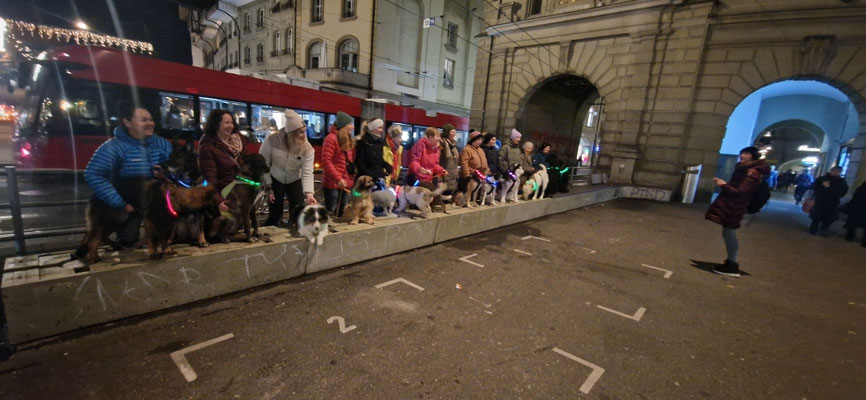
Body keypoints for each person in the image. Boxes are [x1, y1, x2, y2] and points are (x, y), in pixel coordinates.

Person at [81, 102, 172, 250]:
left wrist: (167, 175)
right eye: (143, 120)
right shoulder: (114, 147)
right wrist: (120, 203)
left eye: (151, 119)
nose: (150, 123)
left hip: (156, 200)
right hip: (128, 200)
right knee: (128, 239)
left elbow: (178, 170)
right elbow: (93, 174)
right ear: (127, 122)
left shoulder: (163, 144)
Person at [705, 146, 769, 278]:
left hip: (736, 206)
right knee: (728, 231)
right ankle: (731, 262)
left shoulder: (751, 172)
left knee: (729, 232)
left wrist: (723, 185)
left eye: (746, 154)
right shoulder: (745, 169)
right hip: (733, 205)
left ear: (753, 156)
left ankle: (732, 264)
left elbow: (740, 192)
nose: (742, 156)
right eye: (742, 153)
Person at [259, 109, 317, 228]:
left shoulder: (307, 148)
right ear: (291, 133)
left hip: (294, 178)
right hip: (276, 177)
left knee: (298, 209)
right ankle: (272, 227)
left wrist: (309, 194)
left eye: (305, 131)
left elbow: (307, 172)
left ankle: (295, 226)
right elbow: (264, 164)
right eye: (301, 132)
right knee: (275, 210)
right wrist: (269, 187)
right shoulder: (271, 140)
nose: (304, 135)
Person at [199, 109, 246, 213]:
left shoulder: (239, 143)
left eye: (231, 122)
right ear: (216, 124)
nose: (230, 126)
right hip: (224, 196)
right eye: (226, 122)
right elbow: (210, 178)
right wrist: (219, 201)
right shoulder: (207, 146)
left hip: (238, 195)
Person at [321, 111, 356, 215]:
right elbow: (326, 161)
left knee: (343, 213)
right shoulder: (331, 139)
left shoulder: (347, 139)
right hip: (333, 184)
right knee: (331, 212)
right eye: (350, 124)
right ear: (343, 125)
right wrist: (338, 178)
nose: (353, 127)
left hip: (345, 183)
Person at [809, 166, 848, 235]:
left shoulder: (841, 182)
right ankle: (813, 230)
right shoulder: (822, 179)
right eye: (834, 171)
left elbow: (842, 192)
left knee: (828, 218)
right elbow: (814, 187)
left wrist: (830, 187)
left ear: (839, 172)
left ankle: (823, 230)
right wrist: (821, 185)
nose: (835, 173)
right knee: (816, 217)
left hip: (832, 202)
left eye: (837, 171)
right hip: (820, 201)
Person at [354, 118, 392, 184]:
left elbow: (378, 159)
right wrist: (371, 175)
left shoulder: (379, 143)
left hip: (378, 178)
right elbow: (360, 162)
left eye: (382, 128)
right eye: (379, 128)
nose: (382, 130)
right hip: (366, 181)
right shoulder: (363, 142)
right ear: (372, 128)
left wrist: (386, 165)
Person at [458, 131, 489, 206]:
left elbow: (485, 162)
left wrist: (486, 172)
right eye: (478, 140)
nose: (480, 142)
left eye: (481, 140)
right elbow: (464, 163)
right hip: (472, 175)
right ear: (473, 140)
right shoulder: (467, 150)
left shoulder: (481, 150)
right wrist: (467, 175)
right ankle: (463, 202)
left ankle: (473, 201)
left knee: (476, 189)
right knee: (468, 190)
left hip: (480, 175)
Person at [843, 181, 866, 247]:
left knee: (852, 224)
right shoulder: (861, 188)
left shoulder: (861, 188)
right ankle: (864, 242)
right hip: (859, 209)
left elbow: (855, 198)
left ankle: (849, 238)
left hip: (857, 209)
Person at [439, 123, 459, 195]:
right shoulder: (441, 144)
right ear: (447, 133)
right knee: (444, 194)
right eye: (452, 132)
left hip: (452, 174)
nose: (454, 134)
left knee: (449, 194)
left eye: (455, 132)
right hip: (444, 174)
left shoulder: (453, 145)